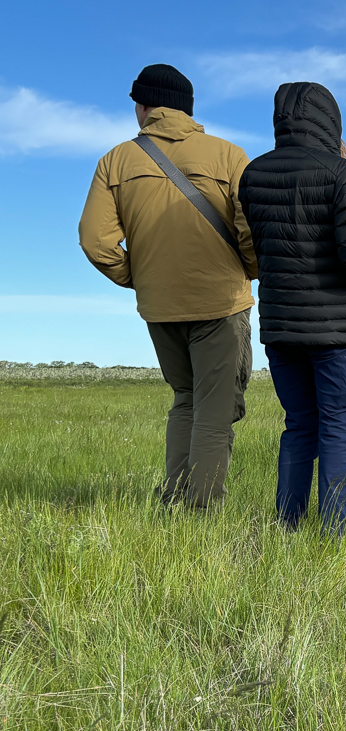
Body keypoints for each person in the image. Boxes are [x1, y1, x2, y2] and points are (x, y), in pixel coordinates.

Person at [79, 64, 257, 507]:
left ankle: (174, 503)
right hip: (222, 302)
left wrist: (140, 278)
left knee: (185, 400)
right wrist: (247, 270)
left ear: (143, 107)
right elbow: (253, 230)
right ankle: (199, 518)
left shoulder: (115, 161)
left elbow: (95, 240)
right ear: (189, 109)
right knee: (214, 415)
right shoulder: (230, 155)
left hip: (159, 307)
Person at [239, 82, 346, 535]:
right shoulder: (343, 175)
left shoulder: (253, 175)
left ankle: (287, 527)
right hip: (337, 331)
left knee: (299, 425)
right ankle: (334, 533)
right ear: (330, 120)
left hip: (282, 327)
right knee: (339, 428)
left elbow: (259, 249)